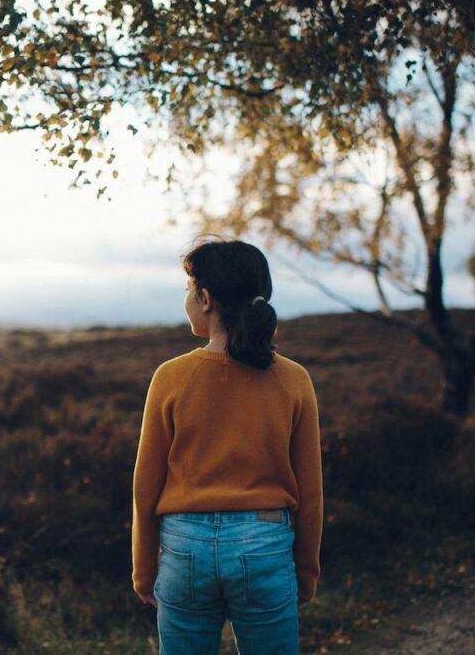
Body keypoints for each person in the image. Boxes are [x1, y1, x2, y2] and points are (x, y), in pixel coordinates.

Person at [131, 237, 323, 655]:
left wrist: (144, 571)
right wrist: (305, 572)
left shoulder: (170, 377)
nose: (186, 298)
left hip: (184, 551)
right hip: (265, 547)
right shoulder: (294, 379)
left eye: (188, 289)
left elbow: (145, 488)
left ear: (205, 299)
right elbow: (310, 493)